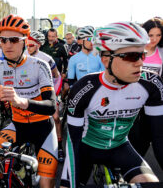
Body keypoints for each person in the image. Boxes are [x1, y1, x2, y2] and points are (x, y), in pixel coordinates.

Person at [60, 21, 162, 188]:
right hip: (85, 150)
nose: (140, 63)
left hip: (120, 147)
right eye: (131, 56)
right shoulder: (85, 88)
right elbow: (73, 143)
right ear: (106, 59)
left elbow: (160, 138)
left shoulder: (151, 83)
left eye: (142, 55)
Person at [0, 14, 58, 188]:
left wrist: (22, 101)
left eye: (14, 40)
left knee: (46, 184)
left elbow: (51, 106)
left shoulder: (39, 65)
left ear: (24, 41)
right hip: (17, 125)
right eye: (3, 40)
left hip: (43, 126)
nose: (7, 45)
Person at [128, 17, 163, 170]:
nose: (154, 39)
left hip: (155, 102)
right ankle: (132, 173)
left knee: (157, 139)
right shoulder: (133, 50)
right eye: (150, 35)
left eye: (158, 35)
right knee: (137, 142)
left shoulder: (162, 52)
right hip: (133, 101)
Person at [25, 31, 65, 161]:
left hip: (46, 91)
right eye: (26, 44)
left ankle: (59, 147)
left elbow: (57, 77)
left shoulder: (47, 59)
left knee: (55, 116)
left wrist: (54, 94)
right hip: (29, 92)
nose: (27, 47)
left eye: (31, 45)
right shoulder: (21, 56)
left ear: (38, 45)